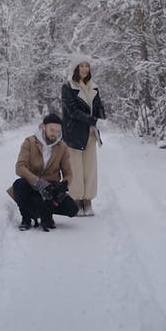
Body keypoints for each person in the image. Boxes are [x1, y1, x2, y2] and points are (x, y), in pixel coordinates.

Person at [7, 113, 79, 231]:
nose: (55, 133)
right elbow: (20, 167)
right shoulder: (29, 142)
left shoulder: (62, 147)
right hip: (31, 184)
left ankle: (45, 213)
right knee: (19, 185)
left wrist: (64, 184)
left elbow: (68, 173)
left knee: (72, 209)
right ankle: (26, 218)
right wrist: (39, 183)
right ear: (44, 127)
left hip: (51, 188)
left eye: (58, 131)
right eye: (52, 130)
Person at [61, 53, 106, 216]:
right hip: (73, 134)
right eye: (81, 66)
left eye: (87, 66)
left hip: (90, 134)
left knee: (90, 169)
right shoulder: (68, 87)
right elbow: (72, 111)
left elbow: (98, 106)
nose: (85, 69)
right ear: (75, 68)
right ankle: (76, 199)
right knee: (75, 168)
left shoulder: (94, 87)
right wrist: (94, 120)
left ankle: (87, 200)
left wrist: (102, 118)